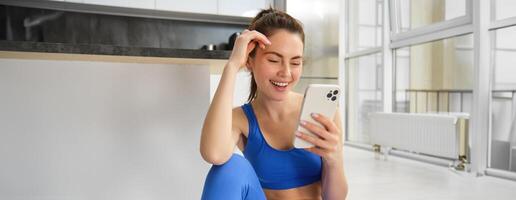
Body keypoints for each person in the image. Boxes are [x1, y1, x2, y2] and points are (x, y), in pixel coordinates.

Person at [200, 8, 348, 200]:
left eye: (295, 63)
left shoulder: (325, 114)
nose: (286, 73)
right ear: (250, 61)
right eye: (274, 60)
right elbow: (214, 154)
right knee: (230, 167)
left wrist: (334, 159)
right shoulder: (241, 119)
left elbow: (336, 198)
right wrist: (232, 66)